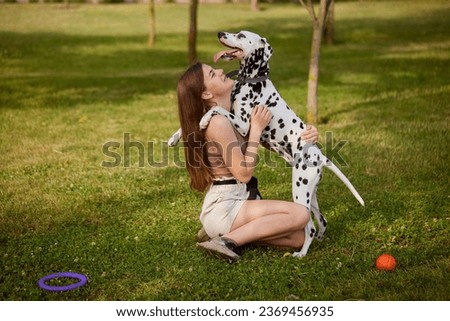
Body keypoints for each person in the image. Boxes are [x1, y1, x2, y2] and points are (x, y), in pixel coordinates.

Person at [177, 62, 319, 262]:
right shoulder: (217, 123)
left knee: (299, 237)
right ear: (206, 94)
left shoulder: (236, 114)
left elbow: (278, 141)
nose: (220, 71)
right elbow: (243, 174)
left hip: (240, 201)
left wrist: (306, 135)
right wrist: (256, 131)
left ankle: (227, 234)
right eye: (212, 73)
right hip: (225, 206)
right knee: (300, 214)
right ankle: (225, 241)